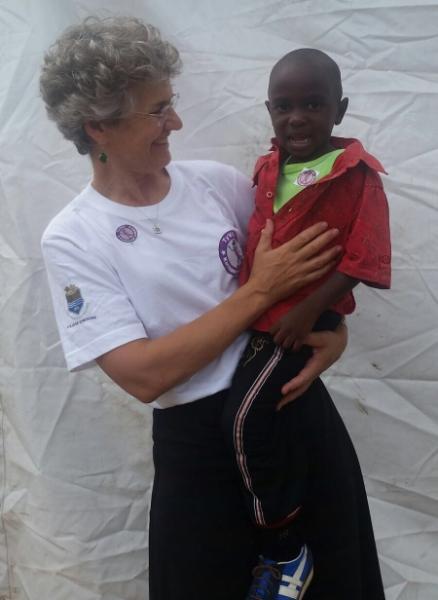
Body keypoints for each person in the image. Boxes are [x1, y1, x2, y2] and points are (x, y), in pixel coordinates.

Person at [38, 17, 366, 600]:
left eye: (172, 104)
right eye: (157, 111)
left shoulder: (219, 185)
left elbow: (310, 268)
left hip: (292, 413)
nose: (177, 123)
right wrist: (257, 294)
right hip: (197, 449)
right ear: (99, 126)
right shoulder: (74, 236)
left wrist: (334, 332)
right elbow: (144, 374)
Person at [222, 48, 390, 599]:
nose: (297, 118)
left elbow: (364, 259)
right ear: (268, 110)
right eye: (284, 106)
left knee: (244, 420)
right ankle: (279, 529)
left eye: (313, 104)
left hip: (293, 326)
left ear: (339, 109)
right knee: (270, 423)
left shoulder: (357, 176)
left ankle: (285, 544)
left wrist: (307, 311)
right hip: (259, 321)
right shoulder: (269, 167)